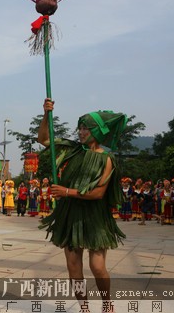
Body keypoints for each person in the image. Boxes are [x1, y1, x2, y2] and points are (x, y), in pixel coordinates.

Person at [38, 98, 127, 310]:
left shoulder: (107, 158)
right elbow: (43, 140)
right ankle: (84, 307)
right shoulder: (73, 150)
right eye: (80, 128)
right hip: (70, 215)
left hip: (95, 217)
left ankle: (107, 304)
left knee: (97, 267)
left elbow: (98, 193)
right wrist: (45, 113)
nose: (81, 132)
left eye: (86, 128)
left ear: (98, 131)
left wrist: (67, 191)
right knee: (73, 266)